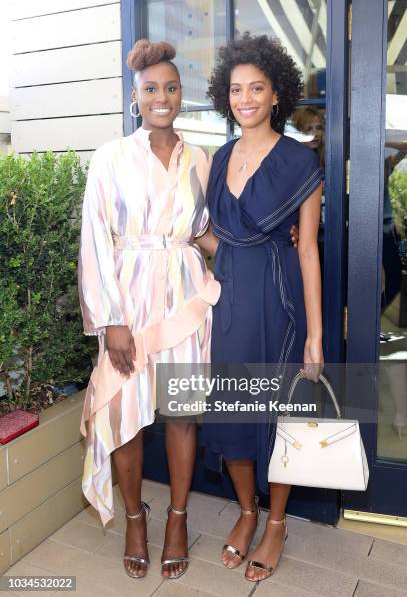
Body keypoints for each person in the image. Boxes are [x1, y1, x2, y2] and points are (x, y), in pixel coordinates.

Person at [78, 39, 220, 581]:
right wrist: (111, 318)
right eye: (150, 89)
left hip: (184, 301)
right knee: (125, 418)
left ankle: (178, 519)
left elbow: (202, 233)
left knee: (182, 414)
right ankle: (136, 520)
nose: (162, 97)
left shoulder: (200, 159)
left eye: (171, 87)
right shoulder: (111, 157)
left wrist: (248, 263)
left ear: (181, 94)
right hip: (129, 307)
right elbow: (95, 240)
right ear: (135, 97)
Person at [202, 33, 324, 583]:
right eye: (235, 89)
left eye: (257, 88)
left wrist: (315, 337)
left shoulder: (300, 160)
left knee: (276, 415)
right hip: (228, 303)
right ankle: (246, 511)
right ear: (224, 95)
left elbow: (310, 251)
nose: (245, 98)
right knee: (233, 414)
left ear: (277, 94)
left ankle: (276, 521)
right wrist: (176, 243)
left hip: (279, 305)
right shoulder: (220, 157)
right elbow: (220, 240)